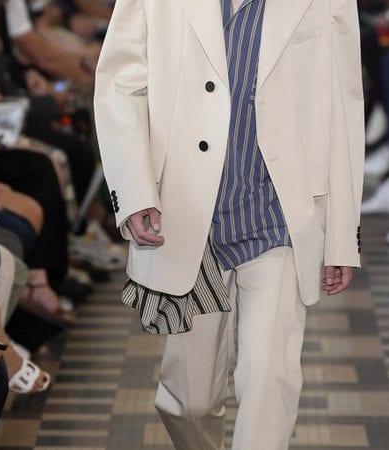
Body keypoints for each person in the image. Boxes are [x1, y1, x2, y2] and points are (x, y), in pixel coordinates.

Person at [94, 0, 365, 449]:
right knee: (190, 402)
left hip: (279, 210)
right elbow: (120, 85)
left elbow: (344, 103)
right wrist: (135, 190)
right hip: (185, 213)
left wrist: (341, 236)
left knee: (269, 377)